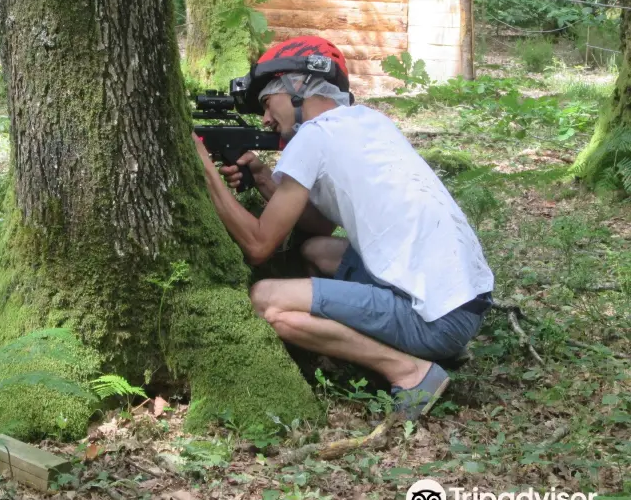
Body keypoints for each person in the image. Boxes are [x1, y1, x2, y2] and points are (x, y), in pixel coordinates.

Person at [193, 36, 494, 421]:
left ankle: (409, 371)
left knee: (266, 300)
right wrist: (265, 179)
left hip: (434, 321)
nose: (265, 119)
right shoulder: (368, 121)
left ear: (297, 86)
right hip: (465, 304)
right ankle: (401, 350)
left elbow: (257, 245)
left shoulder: (313, 137)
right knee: (315, 250)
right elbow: (320, 223)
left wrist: (206, 171)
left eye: (268, 103)